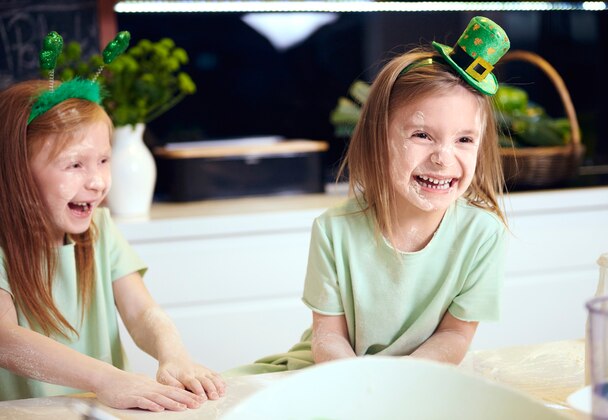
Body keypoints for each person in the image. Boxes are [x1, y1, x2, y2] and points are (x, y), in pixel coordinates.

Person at [225, 16, 510, 376]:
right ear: (379, 137)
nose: (443, 157)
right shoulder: (334, 230)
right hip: (331, 374)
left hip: (424, 379)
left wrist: (397, 383)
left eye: (464, 140)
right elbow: (327, 336)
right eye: (422, 135)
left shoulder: (483, 235)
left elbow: (454, 334)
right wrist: (362, 386)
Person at [0, 33, 225, 411]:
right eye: (74, 164)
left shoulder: (100, 229)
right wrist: (107, 379)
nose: (97, 181)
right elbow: (5, 339)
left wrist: (174, 355)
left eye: (104, 161)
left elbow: (141, 312)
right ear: (16, 170)